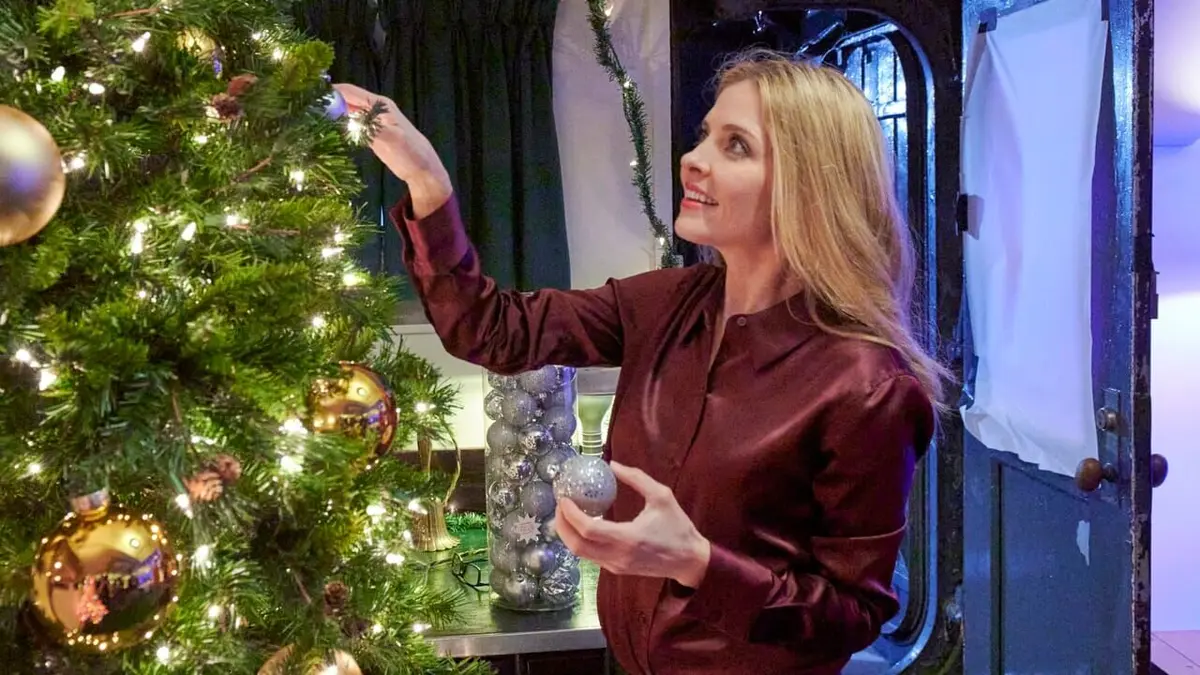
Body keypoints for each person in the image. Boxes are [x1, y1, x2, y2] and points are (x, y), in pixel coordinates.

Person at [335, 47, 944, 675]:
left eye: (736, 146)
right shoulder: (668, 303)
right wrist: (428, 183)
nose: (692, 159)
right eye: (705, 135)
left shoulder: (867, 386)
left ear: (808, 188)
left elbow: (852, 614)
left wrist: (698, 564)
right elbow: (494, 332)